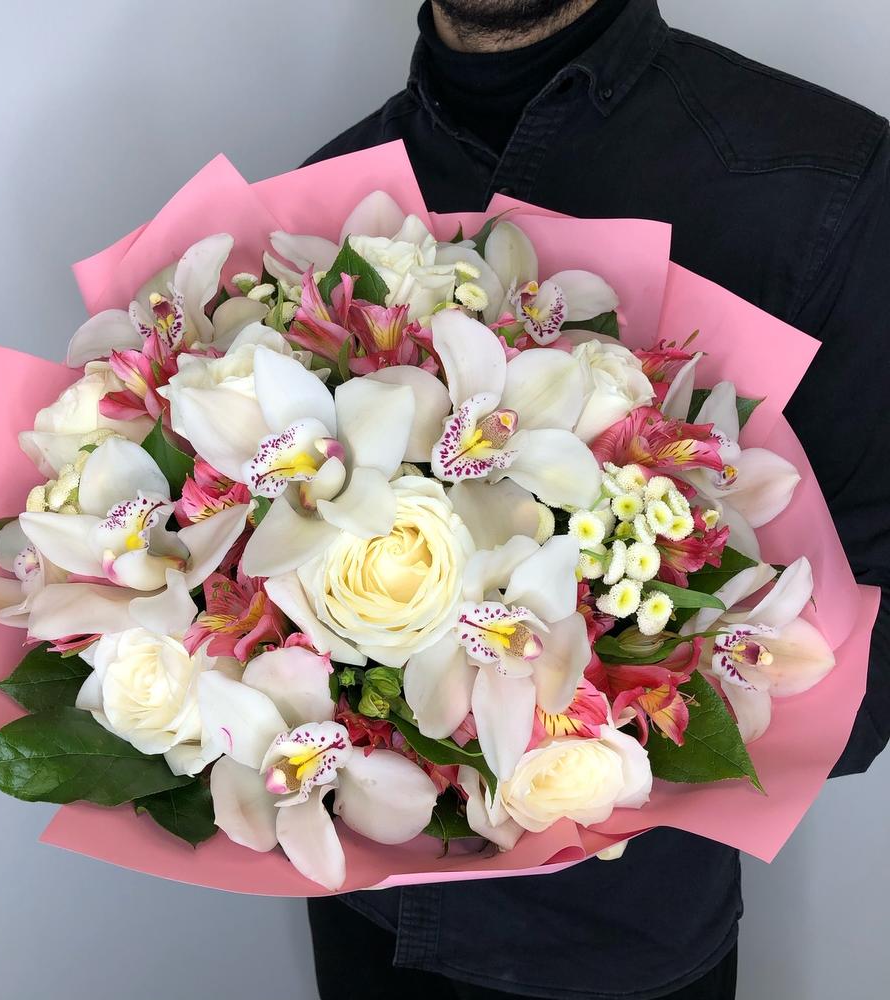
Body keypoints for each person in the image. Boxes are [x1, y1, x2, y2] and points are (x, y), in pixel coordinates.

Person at [301, 2, 890, 998]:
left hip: (624, 943)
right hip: (365, 922)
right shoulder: (327, 197)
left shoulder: (824, 179)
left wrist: (609, 705)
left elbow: (869, 638)